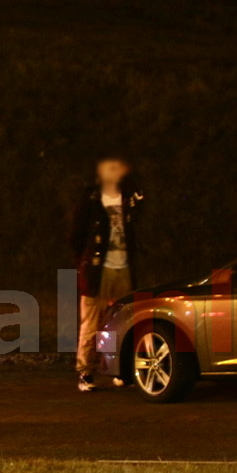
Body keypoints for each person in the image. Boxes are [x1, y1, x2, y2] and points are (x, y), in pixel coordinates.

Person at [71, 157, 143, 392]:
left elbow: (136, 230)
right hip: (97, 271)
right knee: (91, 324)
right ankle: (86, 372)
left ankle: (116, 369)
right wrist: (85, 261)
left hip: (122, 269)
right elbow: (76, 234)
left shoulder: (129, 198)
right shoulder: (91, 198)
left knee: (118, 323)